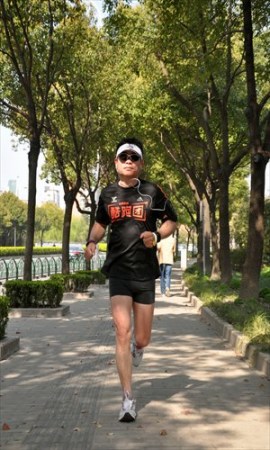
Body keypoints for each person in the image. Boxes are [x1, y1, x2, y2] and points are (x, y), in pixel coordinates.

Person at [85, 137, 177, 423]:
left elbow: (172, 220)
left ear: (141, 163)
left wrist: (158, 235)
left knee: (141, 337)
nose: (128, 160)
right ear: (115, 162)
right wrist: (91, 241)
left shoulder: (152, 191)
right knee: (121, 331)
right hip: (119, 271)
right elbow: (100, 223)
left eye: (134, 157)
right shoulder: (107, 194)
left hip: (145, 273)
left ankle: (140, 348)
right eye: (123, 156)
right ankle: (127, 399)